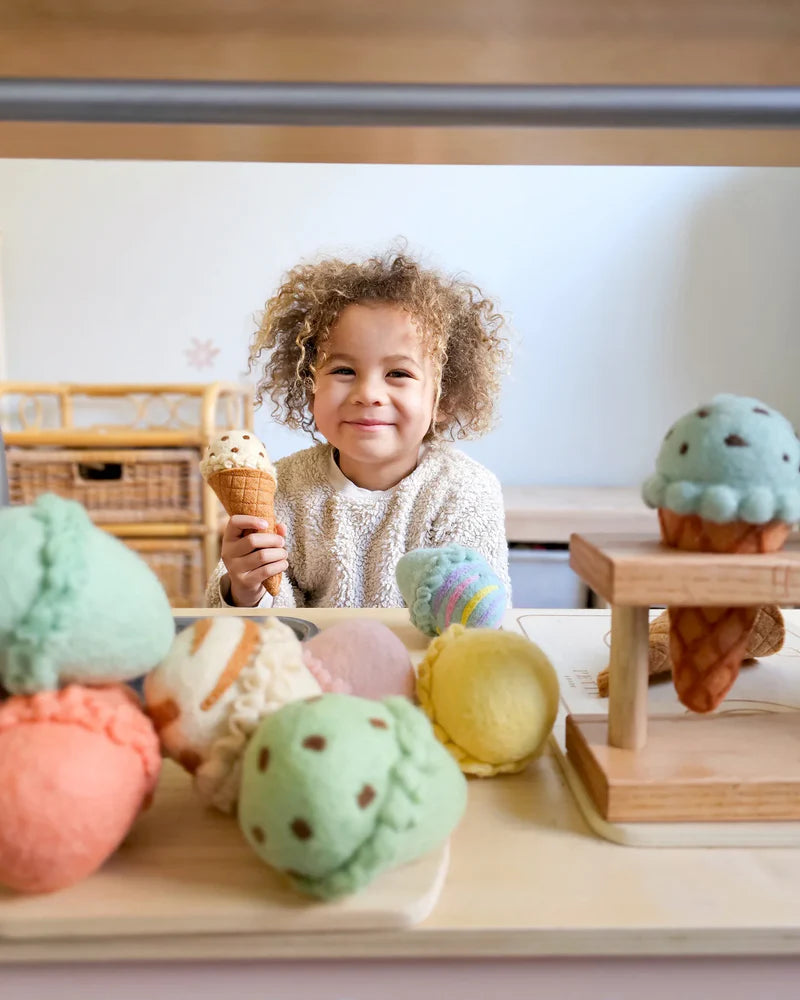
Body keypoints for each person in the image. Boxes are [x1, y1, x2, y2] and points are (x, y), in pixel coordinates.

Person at [205, 247, 512, 609]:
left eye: (398, 373)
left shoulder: (465, 491)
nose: (368, 394)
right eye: (343, 371)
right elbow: (267, 622)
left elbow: (480, 615)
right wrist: (245, 587)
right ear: (310, 387)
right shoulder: (283, 488)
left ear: (443, 399)